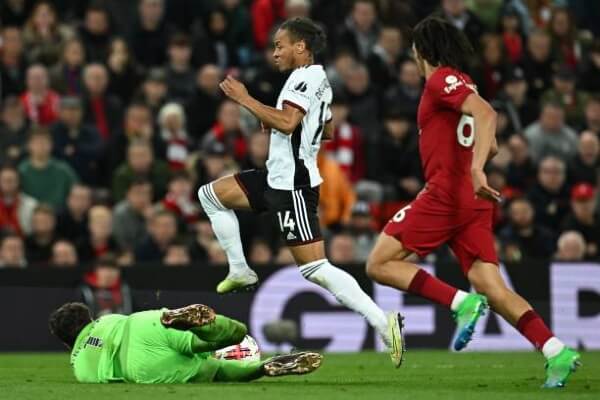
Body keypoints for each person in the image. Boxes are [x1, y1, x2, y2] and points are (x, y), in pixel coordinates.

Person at [364, 17, 580, 388]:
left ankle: (458, 303)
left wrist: (475, 169)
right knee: (493, 288)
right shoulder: (463, 82)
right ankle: (555, 350)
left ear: (421, 50)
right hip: (470, 201)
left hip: (448, 194)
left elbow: (487, 114)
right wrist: (475, 166)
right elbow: (491, 139)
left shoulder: (440, 79)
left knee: (379, 263)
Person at [200, 17, 404, 366]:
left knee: (315, 268)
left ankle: (382, 322)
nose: (275, 52)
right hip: (277, 176)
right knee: (210, 195)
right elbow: (323, 129)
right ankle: (239, 270)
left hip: (292, 184)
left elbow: (289, 122)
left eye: (280, 45)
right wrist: (281, 124)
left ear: (301, 47)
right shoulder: (317, 80)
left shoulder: (306, 76)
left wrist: (246, 99)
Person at [49, 302, 322, 383]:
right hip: (141, 324)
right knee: (224, 337)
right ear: (90, 318)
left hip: (136, 367)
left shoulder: (78, 366)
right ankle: (195, 324)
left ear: (66, 344)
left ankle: (262, 368)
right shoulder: (105, 321)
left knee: (216, 372)